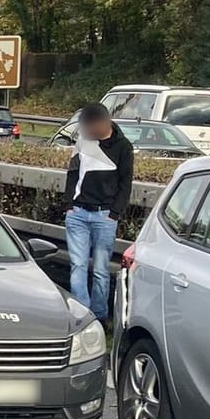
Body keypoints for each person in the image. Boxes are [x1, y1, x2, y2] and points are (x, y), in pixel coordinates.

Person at [62, 102, 135, 323]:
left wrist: (115, 213)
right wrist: (68, 205)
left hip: (105, 215)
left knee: (101, 271)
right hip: (78, 213)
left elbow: (126, 183)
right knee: (78, 266)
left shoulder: (123, 147)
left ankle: (100, 317)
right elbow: (72, 173)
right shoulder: (83, 141)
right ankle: (82, 315)